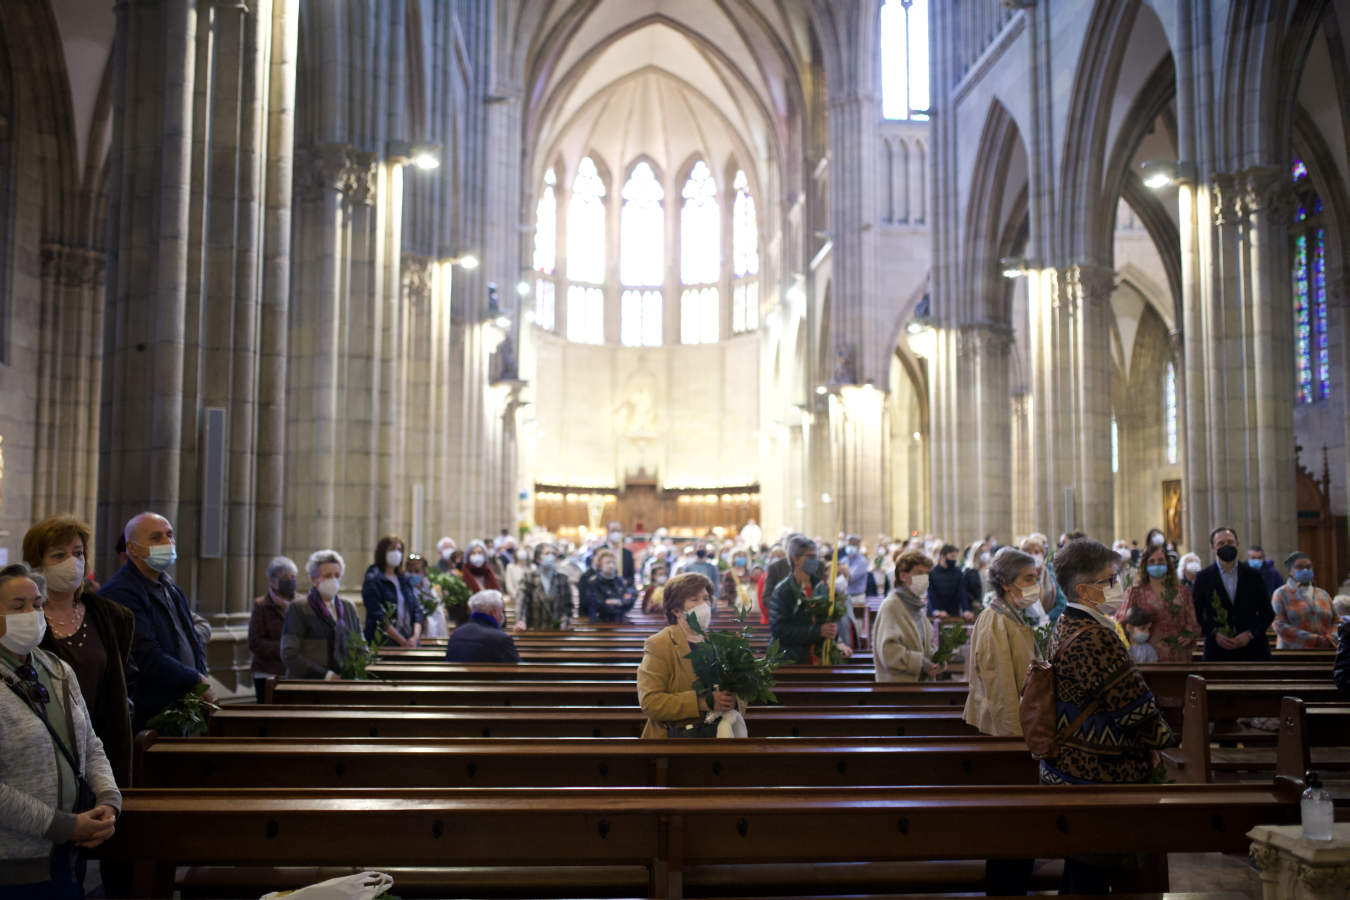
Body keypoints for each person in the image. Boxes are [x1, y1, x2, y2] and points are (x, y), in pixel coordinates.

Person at [1038, 539, 1177, 894]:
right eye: (1109, 580)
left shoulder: (1068, 623)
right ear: (1084, 589)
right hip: (1098, 774)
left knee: (1082, 868)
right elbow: (1133, 704)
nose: (1117, 587)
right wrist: (1165, 739)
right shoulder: (1095, 637)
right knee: (1093, 873)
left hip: (1074, 765)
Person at [0, 564, 122, 899]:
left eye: (37, 604)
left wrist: (109, 801)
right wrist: (65, 826)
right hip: (13, 866)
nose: (31, 614)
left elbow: (90, 744)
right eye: (17, 606)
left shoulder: (57, 670)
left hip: (68, 855)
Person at [22, 516, 134, 789]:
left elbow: (116, 687)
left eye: (78, 553)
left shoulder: (111, 617)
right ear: (37, 563)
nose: (72, 562)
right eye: (59, 555)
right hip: (40, 756)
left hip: (101, 748)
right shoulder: (22, 620)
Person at [99, 512, 212, 730]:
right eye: (156, 537)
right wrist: (195, 679)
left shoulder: (169, 586)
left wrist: (200, 676)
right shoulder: (121, 592)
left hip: (183, 704)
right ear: (132, 549)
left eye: (170, 535)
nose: (167, 542)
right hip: (151, 713)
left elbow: (190, 639)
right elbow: (145, 655)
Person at [636, 573, 736, 739]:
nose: (704, 604)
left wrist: (732, 698)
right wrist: (700, 702)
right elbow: (650, 702)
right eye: (694, 599)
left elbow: (731, 688)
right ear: (676, 610)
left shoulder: (716, 642)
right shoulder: (660, 644)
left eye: (706, 598)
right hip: (675, 737)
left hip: (716, 733)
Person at [963, 548, 1040, 737]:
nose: (1035, 584)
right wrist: (1014, 735)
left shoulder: (1011, 615)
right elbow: (1000, 689)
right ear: (1005, 583)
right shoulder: (995, 621)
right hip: (1002, 729)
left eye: (1035, 578)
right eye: (1028, 579)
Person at [1191, 527, 1274, 661]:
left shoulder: (1253, 575)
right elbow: (1196, 613)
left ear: (1237, 544)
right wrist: (1215, 634)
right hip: (1217, 652)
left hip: (1253, 651)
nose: (1226, 546)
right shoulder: (1203, 577)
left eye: (1230, 542)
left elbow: (1267, 613)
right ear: (1213, 547)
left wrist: (1249, 634)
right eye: (1221, 543)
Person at [281, 550, 361, 680]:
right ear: (314, 579)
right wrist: (326, 676)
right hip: (308, 685)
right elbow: (289, 653)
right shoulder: (299, 608)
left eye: (337, 575)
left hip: (343, 683)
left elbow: (360, 645)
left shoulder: (348, 608)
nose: (333, 580)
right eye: (328, 576)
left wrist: (355, 670)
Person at [1115, 543, 1200, 663]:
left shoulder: (1182, 592)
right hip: (1147, 657)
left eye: (1161, 560)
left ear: (1167, 564)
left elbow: (1193, 624)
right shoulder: (1135, 592)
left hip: (1178, 656)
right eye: (1152, 561)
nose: (1156, 564)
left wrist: (1189, 635)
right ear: (1145, 565)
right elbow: (1120, 624)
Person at [768, 535, 840, 664]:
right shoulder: (783, 591)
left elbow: (826, 621)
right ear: (795, 559)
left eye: (816, 557)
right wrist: (818, 632)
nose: (815, 561)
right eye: (810, 557)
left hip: (817, 658)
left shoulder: (820, 587)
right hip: (790, 660)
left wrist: (837, 639)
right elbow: (779, 629)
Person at [873, 550, 941, 682]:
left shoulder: (916, 607)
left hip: (920, 687)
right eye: (919, 573)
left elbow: (925, 646)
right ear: (903, 576)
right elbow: (888, 652)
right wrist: (921, 663)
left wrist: (937, 659)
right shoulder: (891, 606)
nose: (924, 578)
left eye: (926, 573)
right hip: (899, 689)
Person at [247, 556, 297, 703]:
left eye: (293, 577)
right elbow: (255, 642)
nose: (290, 581)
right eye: (285, 577)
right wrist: (285, 648)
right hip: (267, 671)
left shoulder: (301, 603)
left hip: (294, 672)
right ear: (273, 580)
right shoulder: (261, 605)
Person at [360, 535, 423, 648]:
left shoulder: (403, 579)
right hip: (384, 642)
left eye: (399, 550)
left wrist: (415, 637)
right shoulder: (373, 579)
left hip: (410, 640)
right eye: (392, 549)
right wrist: (402, 641)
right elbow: (378, 615)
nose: (396, 553)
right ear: (382, 552)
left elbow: (416, 610)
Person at [1270, 552, 1338, 650]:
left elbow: (1337, 620)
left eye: (1309, 567)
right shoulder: (1281, 594)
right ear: (1290, 570)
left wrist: (1331, 638)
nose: (1305, 570)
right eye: (1299, 567)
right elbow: (1279, 624)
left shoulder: (1323, 593)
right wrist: (1316, 640)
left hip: (1326, 650)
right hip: (1294, 652)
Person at [444, 591, 519, 663]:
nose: (502, 614)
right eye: (501, 610)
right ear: (494, 612)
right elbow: (517, 669)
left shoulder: (456, 634)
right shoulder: (501, 639)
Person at [515, 543, 572, 630]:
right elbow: (521, 602)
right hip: (534, 628)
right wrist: (520, 621)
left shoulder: (563, 579)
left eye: (553, 554)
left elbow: (568, 606)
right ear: (538, 559)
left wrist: (565, 622)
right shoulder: (528, 577)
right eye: (547, 554)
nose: (551, 556)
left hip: (557, 630)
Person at [578, 549, 635, 623]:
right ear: (600, 565)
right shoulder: (593, 582)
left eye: (613, 562)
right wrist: (619, 603)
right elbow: (598, 604)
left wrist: (617, 602)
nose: (611, 565)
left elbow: (629, 601)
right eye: (607, 563)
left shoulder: (619, 581)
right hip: (600, 623)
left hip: (620, 621)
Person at [405, 554, 446, 639]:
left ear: (424, 572)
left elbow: (439, 616)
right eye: (410, 571)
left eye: (416, 571)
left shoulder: (431, 591)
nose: (412, 574)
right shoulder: (403, 590)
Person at [927, 544, 971, 621]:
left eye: (955, 557)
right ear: (942, 556)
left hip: (953, 611)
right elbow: (931, 593)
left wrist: (966, 609)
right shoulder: (932, 573)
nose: (954, 559)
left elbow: (962, 592)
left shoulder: (958, 572)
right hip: (936, 612)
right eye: (952, 556)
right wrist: (936, 610)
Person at [599, 522, 636, 587]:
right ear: (608, 532)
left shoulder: (627, 553)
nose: (616, 533)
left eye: (618, 531)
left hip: (623, 589)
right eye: (613, 531)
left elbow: (631, 576)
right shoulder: (600, 551)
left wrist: (626, 582)